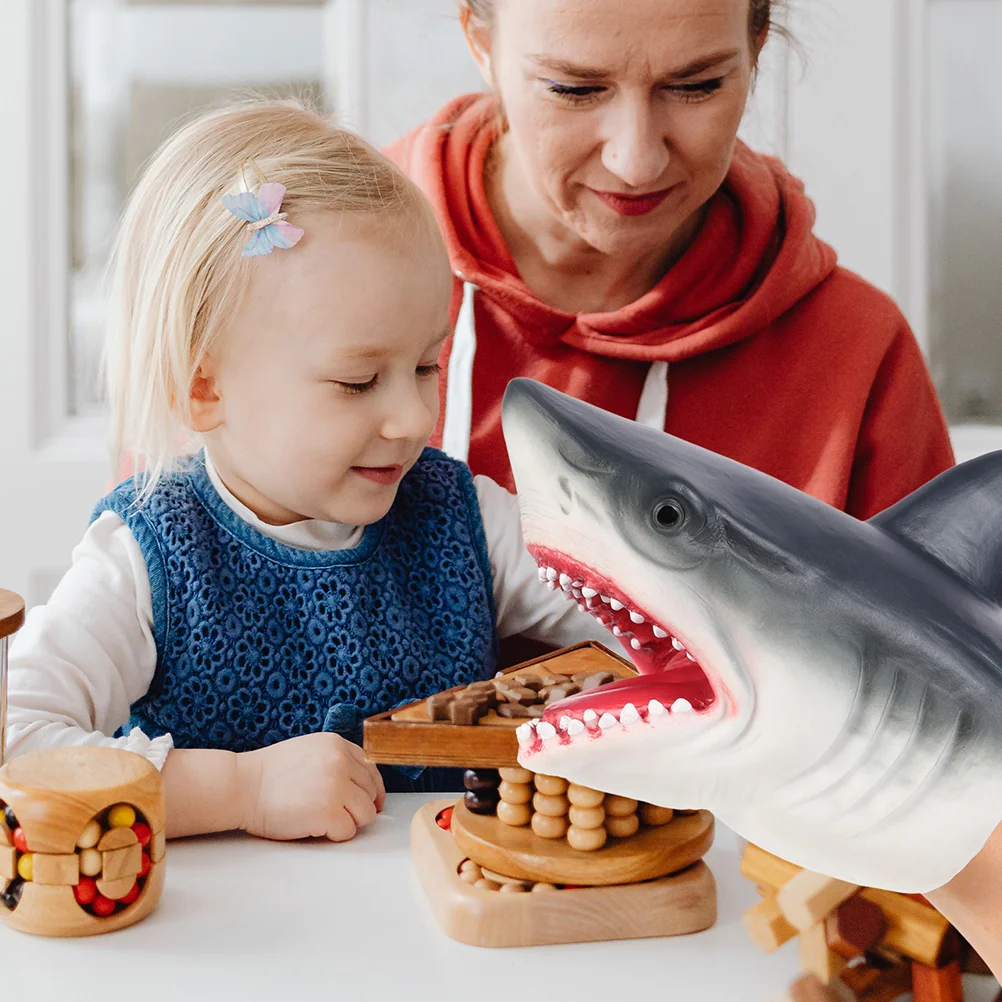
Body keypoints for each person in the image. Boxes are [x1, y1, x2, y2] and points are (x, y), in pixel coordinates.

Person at [4, 100, 619, 845]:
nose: (412, 419)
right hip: (231, 945)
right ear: (204, 388)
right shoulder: (146, 554)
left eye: (426, 365)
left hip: (438, 928)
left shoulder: (460, 518)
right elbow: (20, 750)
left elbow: (640, 609)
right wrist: (239, 790)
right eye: (359, 381)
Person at [387, 0, 955, 514]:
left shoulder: (855, 350)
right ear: (481, 42)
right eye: (574, 89)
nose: (636, 162)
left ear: (758, 46)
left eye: (697, 85)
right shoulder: (315, 270)